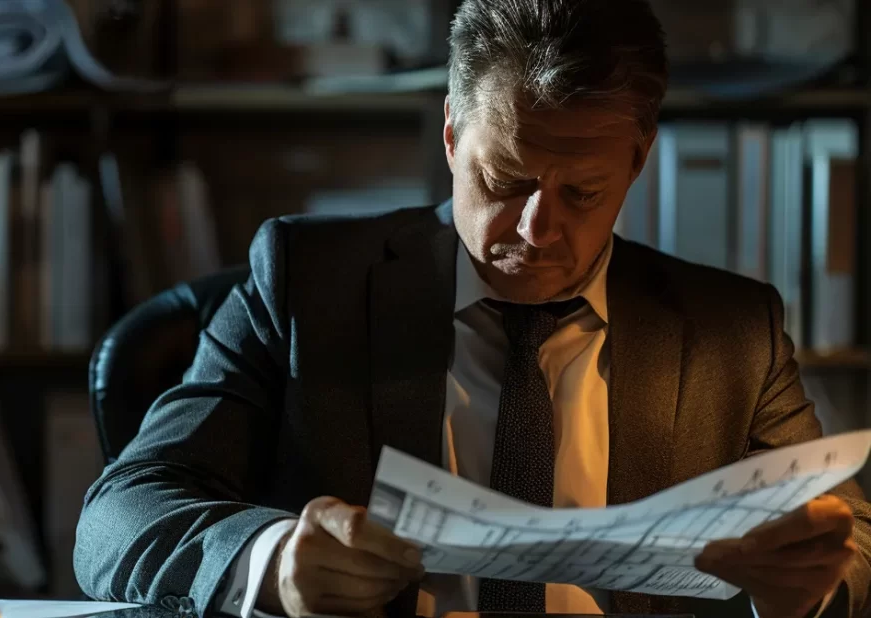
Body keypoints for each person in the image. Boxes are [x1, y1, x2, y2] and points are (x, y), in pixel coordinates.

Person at [73, 1, 871, 617]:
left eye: (582, 193)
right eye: (505, 182)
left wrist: (811, 581)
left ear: (637, 160)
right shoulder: (307, 283)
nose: (537, 229)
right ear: (453, 136)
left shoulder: (732, 331)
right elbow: (117, 515)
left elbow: (852, 538)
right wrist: (274, 557)